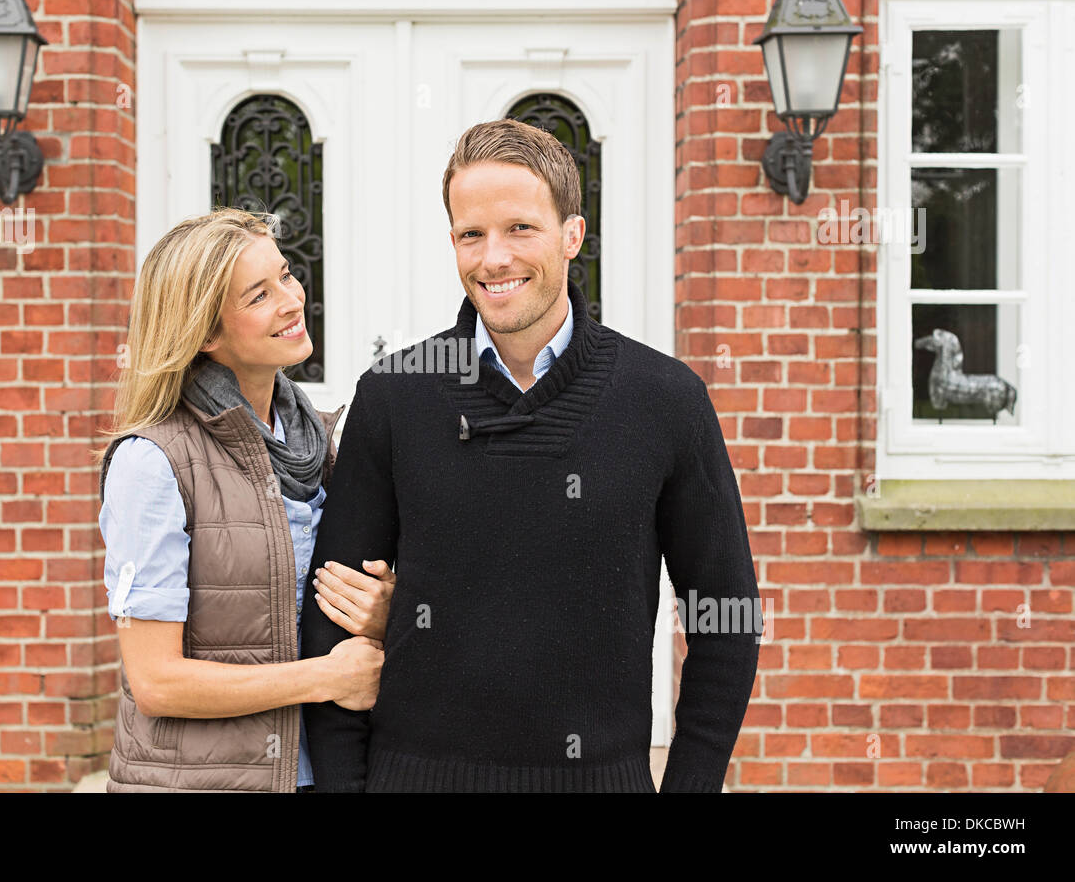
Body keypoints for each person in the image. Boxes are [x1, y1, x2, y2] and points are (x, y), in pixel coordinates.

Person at [301, 119, 761, 792]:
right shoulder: (394, 396)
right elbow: (332, 624)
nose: (493, 258)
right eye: (471, 234)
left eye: (520, 229)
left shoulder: (666, 401)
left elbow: (726, 619)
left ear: (573, 235)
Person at [97, 208, 395, 792]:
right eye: (259, 295)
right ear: (205, 333)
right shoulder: (153, 462)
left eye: (285, 276)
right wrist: (324, 678)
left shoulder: (318, 443)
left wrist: (385, 609)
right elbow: (157, 682)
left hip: (315, 774)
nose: (290, 300)